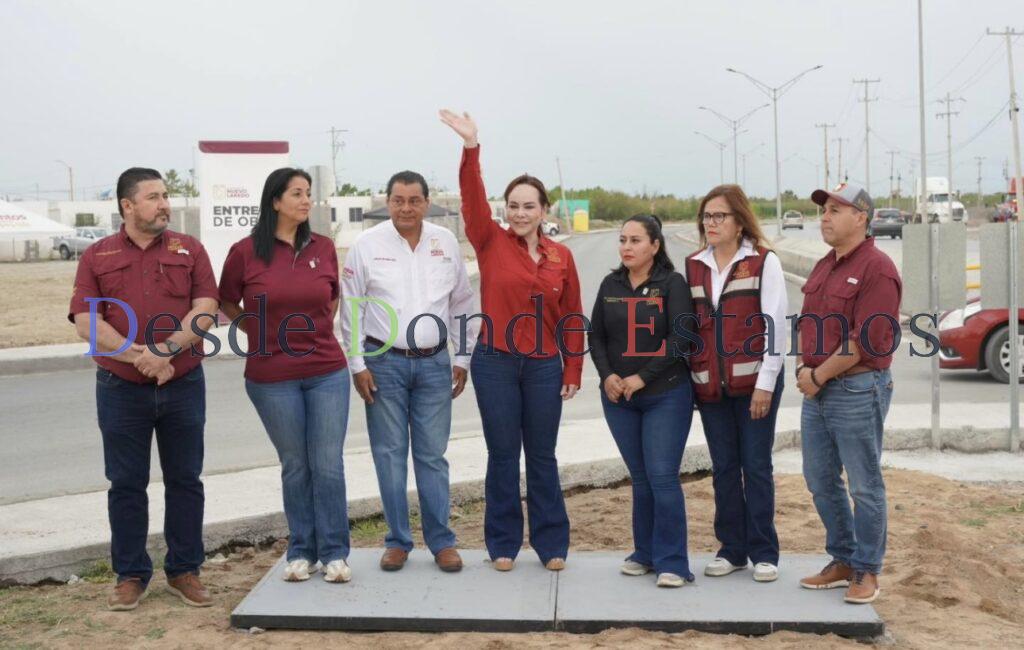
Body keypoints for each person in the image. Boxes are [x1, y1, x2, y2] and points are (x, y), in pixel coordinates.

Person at [69, 167, 219, 611]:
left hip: (184, 382)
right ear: (127, 206)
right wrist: (141, 357)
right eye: (153, 197)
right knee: (126, 483)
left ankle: (185, 571)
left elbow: (206, 307)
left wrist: (168, 350)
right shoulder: (97, 255)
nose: (164, 204)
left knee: (185, 480)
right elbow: (85, 322)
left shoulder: (189, 249)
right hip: (121, 387)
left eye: (166, 195)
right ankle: (131, 574)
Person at [440, 109, 584, 572]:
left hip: (544, 367)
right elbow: (471, 198)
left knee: (542, 456)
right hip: (495, 362)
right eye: (514, 205)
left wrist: (573, 368)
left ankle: (551, 545)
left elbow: (573, 318)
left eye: (529, 206)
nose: (520, 213)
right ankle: (503, 544)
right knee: (503, 455)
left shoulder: (562, 257)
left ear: (544, 211)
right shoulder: (488, 240)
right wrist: (470, 147)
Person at [219, 168, 353, 584]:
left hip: (327, 371)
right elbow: (226, 300)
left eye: (308, 193)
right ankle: (300, 551)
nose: (305, 200)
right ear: (275, 201)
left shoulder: (324, 247)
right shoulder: (244, 252)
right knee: (295, 465)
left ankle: (334, 553)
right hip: (271, 376)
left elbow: (332, 295)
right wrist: (257, 331)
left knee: (327, 464)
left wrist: (312, 330)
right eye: (297, 193)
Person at [340, 170, 476, 573]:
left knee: (432, 456)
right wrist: (357, 365)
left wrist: (462, 358)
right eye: (398, 200)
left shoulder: (445, 241)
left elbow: (462, 304)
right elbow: (352, 308)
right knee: (389, 455)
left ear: (426, 202)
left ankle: (441, 542)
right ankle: (397, 541)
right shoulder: (366, 246)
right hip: (382, 363)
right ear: (388, 202)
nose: (406, 208)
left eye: (414, 200)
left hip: (436, 364)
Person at [795, 182, 901, 604]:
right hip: (818, 387)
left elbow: (868, 339)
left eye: (835, 209)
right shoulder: (825, 265)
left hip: (857, 387)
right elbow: (810, 325)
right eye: (823, 209)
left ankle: (867, 571)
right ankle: (843, 559)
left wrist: (817, 375)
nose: (825, 217)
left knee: (864, 484)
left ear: (861, 217)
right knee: (819, 479)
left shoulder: (878, 268)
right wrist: (807, 369)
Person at [683, 185, 788, 583]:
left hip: (755, 385)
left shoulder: (763, 262)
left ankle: (764, 551)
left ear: (739, 220)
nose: (710, 223)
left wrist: (765, 384)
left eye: (719, 216)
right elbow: (691, 327)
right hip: (711, 388)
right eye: (706, 216)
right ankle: (732, 550)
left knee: (756, 466)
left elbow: (775, 326)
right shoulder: (694, 264)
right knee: (724, 468)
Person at [589, 214, 696, 588]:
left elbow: (681, 339)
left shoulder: (672, 284)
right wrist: (608, 377)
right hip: (620, 399)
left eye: (635, 240)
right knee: (640, 478)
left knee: (662, 476)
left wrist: (641, 377)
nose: (627, 247)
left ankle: (673, 563)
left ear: (655, 245)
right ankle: (645, 553)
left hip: (665, 395)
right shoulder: (610, 284)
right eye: (623, 240)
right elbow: (597, 337)